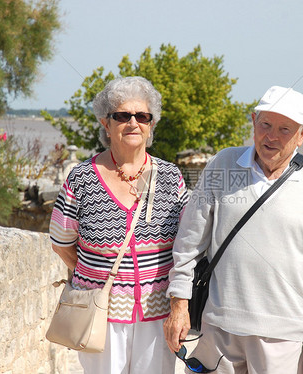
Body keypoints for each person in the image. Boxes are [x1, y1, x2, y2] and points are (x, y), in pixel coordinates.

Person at [164, 86, 303, 374]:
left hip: (283, 336)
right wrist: (179, 305)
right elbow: (189, 241)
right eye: (265, 124)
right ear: (253, 121)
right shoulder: (223, 164)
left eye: (285, 129)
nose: (271, 136)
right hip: (218, 328)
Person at [50, 76, 189, 373]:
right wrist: (95, 275)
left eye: (142, 116)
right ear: (106, 123)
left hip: (157, 314)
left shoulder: (170, 177)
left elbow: (188, 243)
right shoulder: (82, 178)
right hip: (101, 314)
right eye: (122, 115)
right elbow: (61, 242)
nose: (133, 123)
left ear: (151, 124)